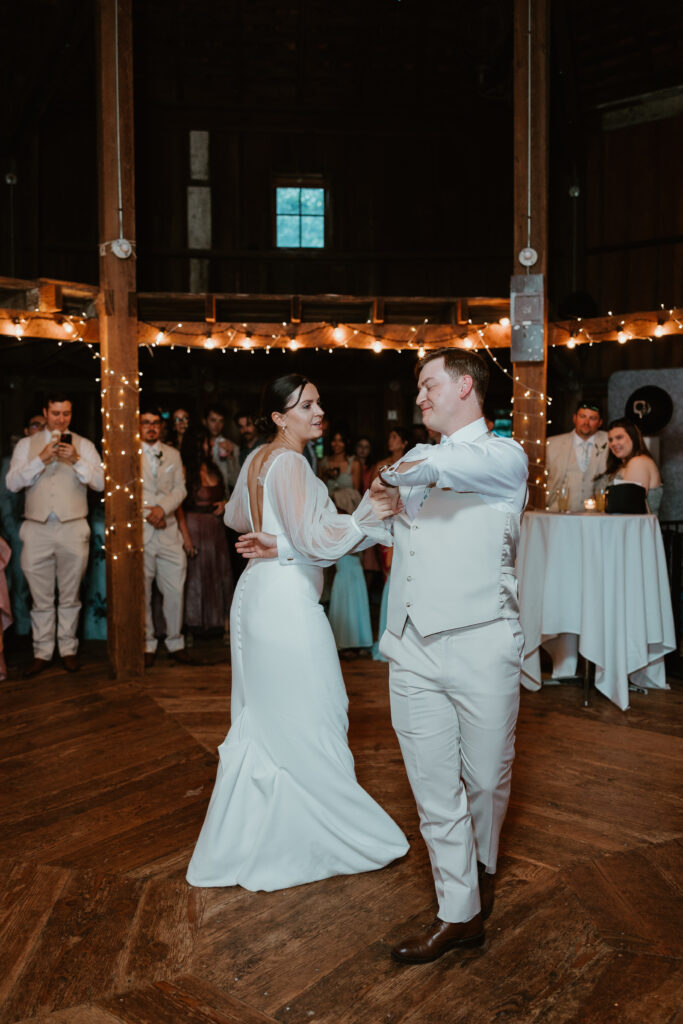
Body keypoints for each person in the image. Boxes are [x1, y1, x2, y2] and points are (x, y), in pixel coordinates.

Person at [186, 374, 408, 891]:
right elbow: (318, 539)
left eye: (318, 402)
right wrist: (365, 515)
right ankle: (321, 834)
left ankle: (250, 835)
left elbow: (240, 517)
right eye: (305, 405)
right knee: (316, 709)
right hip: (285, 602)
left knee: (268, 717)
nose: (318, 411)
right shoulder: (289, 462)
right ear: (280, 418)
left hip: (257, 597)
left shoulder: (258, 458)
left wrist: (275, 540)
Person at [371, 348, 528, 964]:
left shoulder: (501, 456)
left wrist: (395, 472)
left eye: (428, 384)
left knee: (485, 779)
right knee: (435, 789)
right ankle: (457, 912)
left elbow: (439, 469)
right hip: (410, 646)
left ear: (466, 386)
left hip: (481, 639)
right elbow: (370, 523)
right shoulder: (419, 461)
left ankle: (482, 863)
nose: (419, 397)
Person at [5, 394, 104, 676]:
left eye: (66, 414)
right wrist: (40, 459)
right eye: (56, 413)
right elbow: (11, 483)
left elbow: (99, 482)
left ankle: (68, 649)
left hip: (73, 526)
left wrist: (77, 461)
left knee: (71, 595)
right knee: (41, 597)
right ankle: (42, 651)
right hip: (36, 528)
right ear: (45, 412)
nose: (61, 419)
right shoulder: (27, 445)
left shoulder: (83, 444)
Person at [140, 407, 192, 667]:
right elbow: (123, 489)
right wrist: (149, 512)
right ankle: (146, 644)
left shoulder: (173, 453)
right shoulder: (128, 453)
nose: (151, 427)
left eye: (155, 423)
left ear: (161, 427)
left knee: (174, 590)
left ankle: (175, 642)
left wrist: (163, 509)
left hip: (169, 531)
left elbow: (181, 488)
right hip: (141, 532)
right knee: (142, 593)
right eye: (146, 422)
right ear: (138, 426)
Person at [181, 428, 233, 635]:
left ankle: (217, 622)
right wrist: (185, 536)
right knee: (196, 574)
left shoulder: (214, 468)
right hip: (194, 525)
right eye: (205, 443)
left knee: (218, 571)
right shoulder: (186, 470)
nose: (210, 447)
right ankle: (193, 623)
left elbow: (229, 493)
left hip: (216, 527)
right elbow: (179, 507)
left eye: (210, 444)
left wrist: (225, 503)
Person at [546, 402, 608, 512]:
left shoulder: (609, 442)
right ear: (574, 418)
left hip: (596, 513)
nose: (586, 422)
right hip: (558, 510)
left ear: (600, 422)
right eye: (582, 416)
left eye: (592, 418)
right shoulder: (552, 444)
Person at [605, 418, 663, 515]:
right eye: (610, 440)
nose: (613, 444)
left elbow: (629, 508)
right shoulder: (626, 463)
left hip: (636, 528)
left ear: (633, 438)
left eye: (619, 437)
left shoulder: (638, 462)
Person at [204, 404, 240, 495]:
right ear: (205, 421)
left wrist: (231, 457)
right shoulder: (198, 445)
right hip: (200, 497)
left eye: (221, 421)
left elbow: (236, 482)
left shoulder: (232, 447)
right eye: (213, 420)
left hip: (223, 498)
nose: (217, 425)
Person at [318, 427, 362, 500]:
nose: (336, 444)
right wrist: (326, 475)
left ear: (347, 442)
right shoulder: (323, 463)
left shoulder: (354, 464)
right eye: (334, 440)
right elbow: (318, 489)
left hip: (347, 508)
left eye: (340, 441)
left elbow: (356, 494)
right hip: (327, 507)